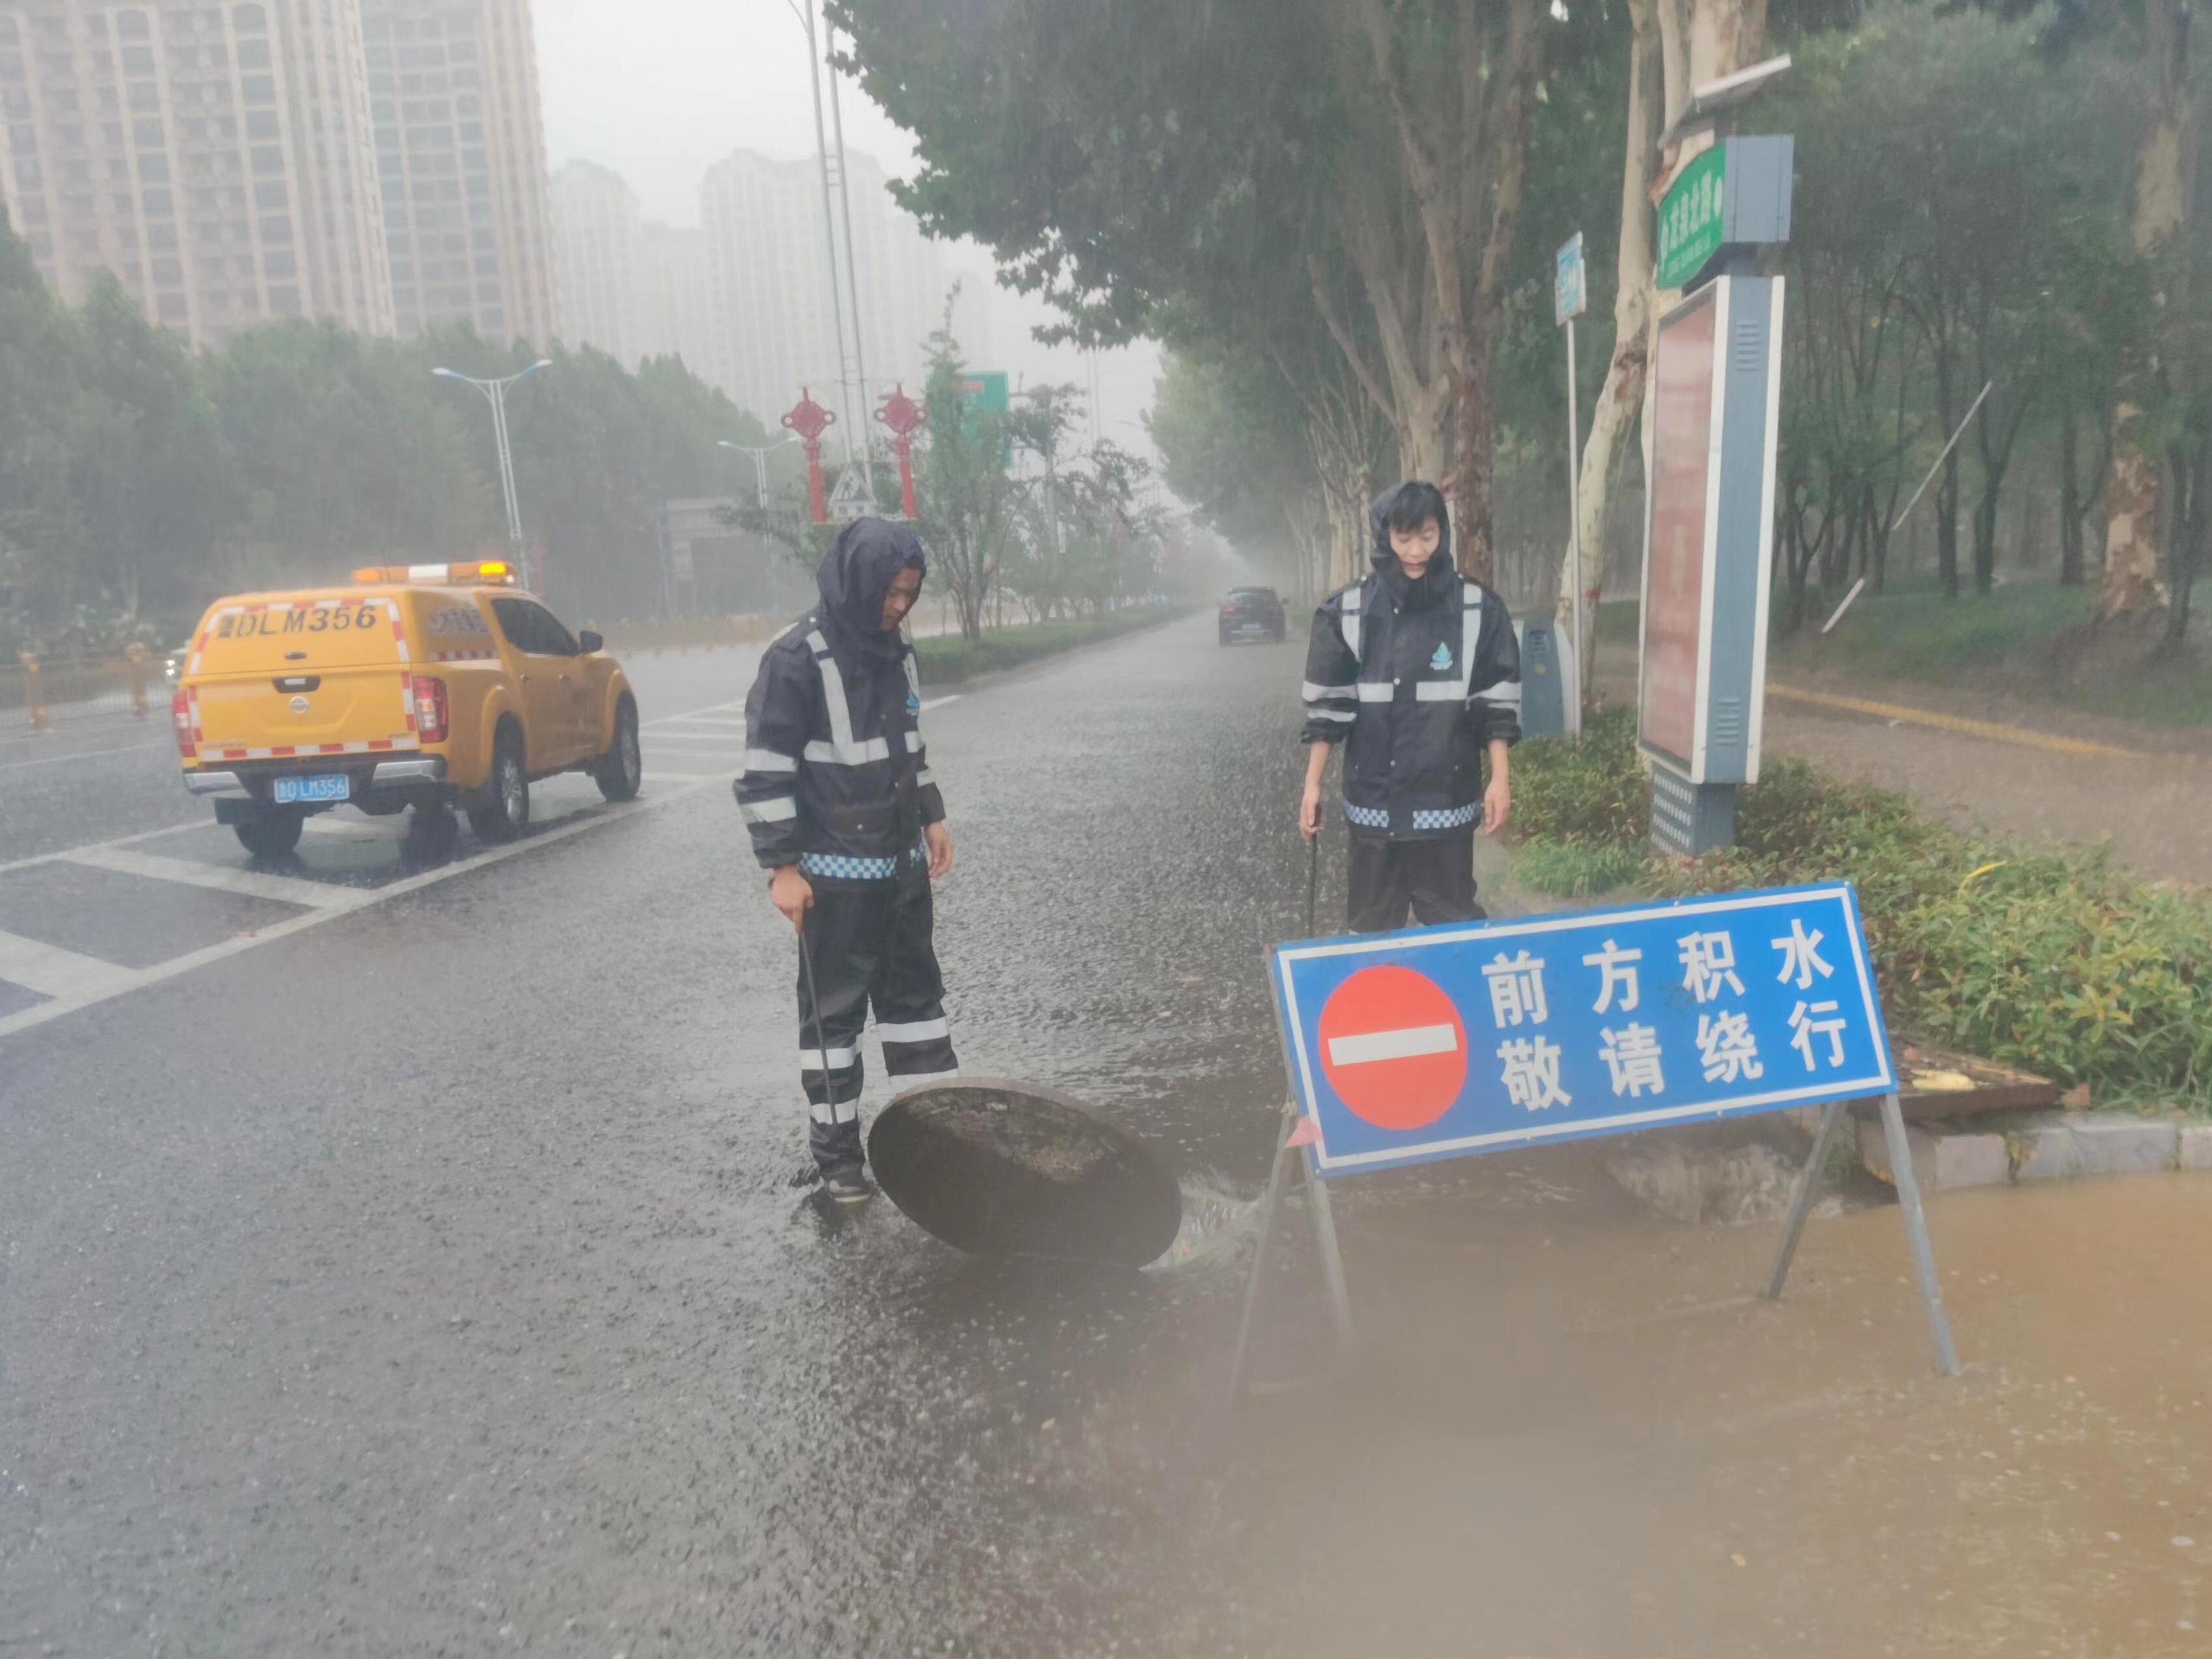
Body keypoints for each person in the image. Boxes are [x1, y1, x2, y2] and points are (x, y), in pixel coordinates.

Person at [736, 518, 958, 1203]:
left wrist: (931, 812)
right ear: (860, 581)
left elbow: (908, 741)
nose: (898, 606)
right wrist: (781, 869)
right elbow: (764, 772)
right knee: (834, 1024)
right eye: (890, 592)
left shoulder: (896, 651)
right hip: (832, 879)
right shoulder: (795, 659)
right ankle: (839, 1163)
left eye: (910, 594)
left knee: (917, 1007)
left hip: (899, 871)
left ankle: (935, 1145)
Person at [1298, 481, 1522, 933]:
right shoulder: (1347, 611)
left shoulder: (1478, 609)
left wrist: (1501, 779)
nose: (1416, 551)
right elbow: (1328, 710)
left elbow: (1494, 705)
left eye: (1427, 536)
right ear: (1384, 537)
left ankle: (1457, 1003)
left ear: (1443, 534)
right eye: (1404, 538)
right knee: (1372, 933)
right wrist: (1312, 786)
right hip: (1374, 804)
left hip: (1446, 799)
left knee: (1454, 930)